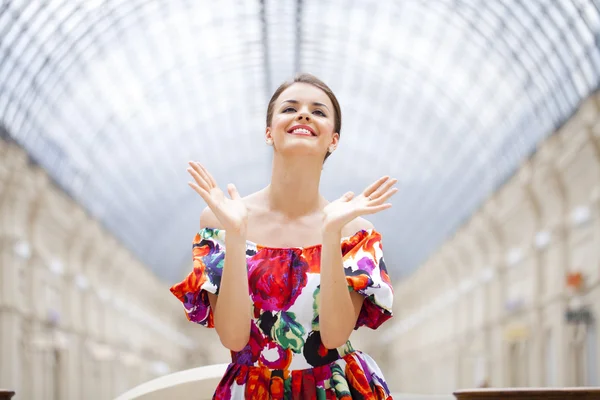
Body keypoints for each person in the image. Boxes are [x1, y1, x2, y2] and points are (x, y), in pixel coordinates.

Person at [170, 73, 397, 399]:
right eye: (290, 108)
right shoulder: (223, 220)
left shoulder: (353, 231)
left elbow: (333, 336)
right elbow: (234, 338)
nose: (303, 114)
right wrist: (236, 235)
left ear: (333, 140)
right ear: (269, 132)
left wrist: (331, 233)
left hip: (336, 389)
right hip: (253, 390)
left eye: (318, 111)